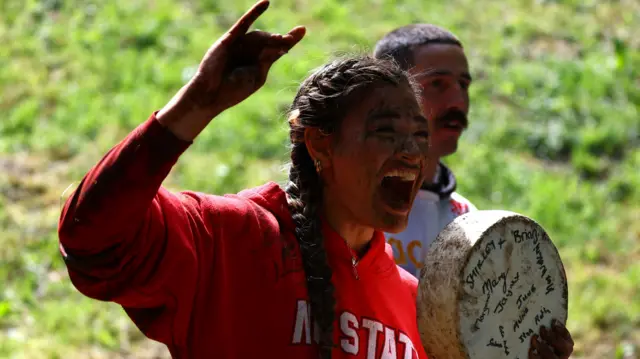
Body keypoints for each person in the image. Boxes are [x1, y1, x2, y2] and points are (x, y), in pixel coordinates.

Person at [57, 1, 574, 358]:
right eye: (386, 130)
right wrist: (192, 108)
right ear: (320, 143)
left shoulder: (418, 305)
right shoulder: (232, 238)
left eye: (419, 136)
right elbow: (93, 237)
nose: (411, 152)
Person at [374, 24, 477, 276]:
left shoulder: (467, 219)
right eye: (437, 84)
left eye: (463, 85)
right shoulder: (352, 207)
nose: (457, 101)